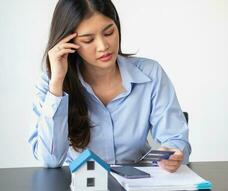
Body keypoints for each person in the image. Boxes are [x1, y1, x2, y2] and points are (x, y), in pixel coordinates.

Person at [28, 0, 191, 173]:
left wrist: (172, 152)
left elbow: (176, 139)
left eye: (109, 32)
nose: (103, 46)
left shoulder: (151, 73)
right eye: (88, 39)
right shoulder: (51, 83)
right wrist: (57, 83)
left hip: (139, 185)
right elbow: (50, 161)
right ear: (67, 43)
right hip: (79, 186)